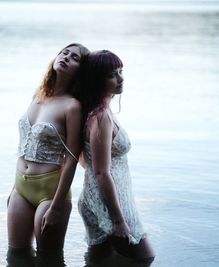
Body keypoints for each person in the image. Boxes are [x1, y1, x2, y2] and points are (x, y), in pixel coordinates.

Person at [7, 43, 90, 255]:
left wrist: (57, 206)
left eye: (74, 58)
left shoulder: (72, 106)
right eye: (64, 52)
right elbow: (24, 144)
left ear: (80, 71)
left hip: (51, 193)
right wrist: (14, 188)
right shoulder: (39, 94)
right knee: (16, 255)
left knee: (49, 259)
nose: (66, 57)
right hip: (20, 188)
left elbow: (71, 158)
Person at [78, 50, 155, 263]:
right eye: (112, 75)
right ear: (97, 80)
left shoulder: (92, 112)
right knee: (145, 259)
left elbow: (86, 160)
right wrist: (118, 220)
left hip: (95, 199)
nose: (120, 79)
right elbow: (101, 172)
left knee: (98, 262)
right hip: (110, 205)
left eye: (121, 72)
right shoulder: (101, 117)